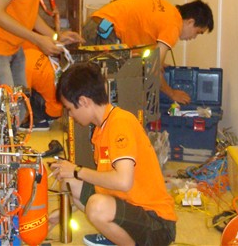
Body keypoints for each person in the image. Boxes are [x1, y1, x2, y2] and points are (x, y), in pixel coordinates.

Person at [50, 62, 177, 246]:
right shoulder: (101, 130)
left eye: (69, 109)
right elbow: (104, 185)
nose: (70, 115)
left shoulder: (120, 123)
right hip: (132, 208)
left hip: (156, 223)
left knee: (96, 206)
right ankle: (116, 235)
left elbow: (123, 182)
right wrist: (60, 214)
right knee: (70, 182)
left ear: (84, 101)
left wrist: (77, 170)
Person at [83, 0, 214, 104]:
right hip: (104, 32)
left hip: (98, 25)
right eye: (198, 32)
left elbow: (147, 51)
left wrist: (156, 62)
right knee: (108, 92)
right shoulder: (174, 25)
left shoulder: (168, 10)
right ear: (190, 22)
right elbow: (153, 71)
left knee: (101, 87)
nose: (193, 37)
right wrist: (172, 93)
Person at [22, 41, 64, 131]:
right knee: (37, 83)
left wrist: (20, 120)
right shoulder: (31, 51)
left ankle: (39, 120)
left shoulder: (23, 66)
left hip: (52, 111)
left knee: (22, 91)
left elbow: (24, 97)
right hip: (61, 106)